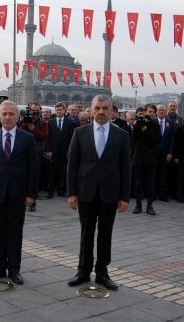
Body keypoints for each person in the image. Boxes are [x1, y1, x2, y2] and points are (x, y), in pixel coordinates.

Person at [66, 95, 131, 290]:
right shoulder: (80, 132)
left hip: (110, 193)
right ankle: (83, 271)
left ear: (111, 111)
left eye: (105, 108)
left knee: (105, 234)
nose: (101, 112)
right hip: (85, 192)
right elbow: (72, 165)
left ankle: (102, 273)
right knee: (86, 233)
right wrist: (71, 193)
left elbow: (126, 168)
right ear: (91, 110)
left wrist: (125, 196)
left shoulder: (121, 135)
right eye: (97, 108)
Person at [0, 101, 39, 285]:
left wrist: (31, 194)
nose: (7, 117)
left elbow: (34, 168)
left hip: (18, 193)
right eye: (4, 113)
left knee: (15, 232)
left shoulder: (27, 138)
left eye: (11, 114)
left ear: (17, 116)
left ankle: (14, 269)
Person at [131, 104, 161, 215]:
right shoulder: (138, 124)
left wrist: (146, 130)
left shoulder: (155, 125)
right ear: (145, 112)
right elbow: (133, 141)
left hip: (150, 158)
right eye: (149, 111)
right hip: (139, 157)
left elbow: (157, 140)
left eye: (153, 111)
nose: (151, 113)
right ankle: (138, 205)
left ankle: (150, 206)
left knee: (150, 183)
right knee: (138, 183)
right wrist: (137, 128)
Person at [46, 102, 76, 198]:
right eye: (57, 110)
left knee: (62, 171)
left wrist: (70, 151)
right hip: (53, 151)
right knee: (52, 171)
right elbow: (48, 137)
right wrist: (49, 150)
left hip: (65, 151)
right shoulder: (51, 122)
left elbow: (72, 137)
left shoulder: (69, 122)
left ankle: (61, 190)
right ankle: (50, 191)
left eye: (61, 110)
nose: (59, 111)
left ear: (64, 111)